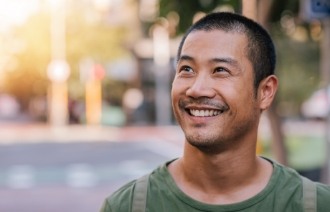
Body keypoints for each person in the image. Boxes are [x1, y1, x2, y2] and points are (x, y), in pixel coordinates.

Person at [100, 12, 330, 212]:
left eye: (220, 70)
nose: (196, 89)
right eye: (186, 69)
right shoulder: (129, 206)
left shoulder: (315, 205)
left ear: (265, 92)